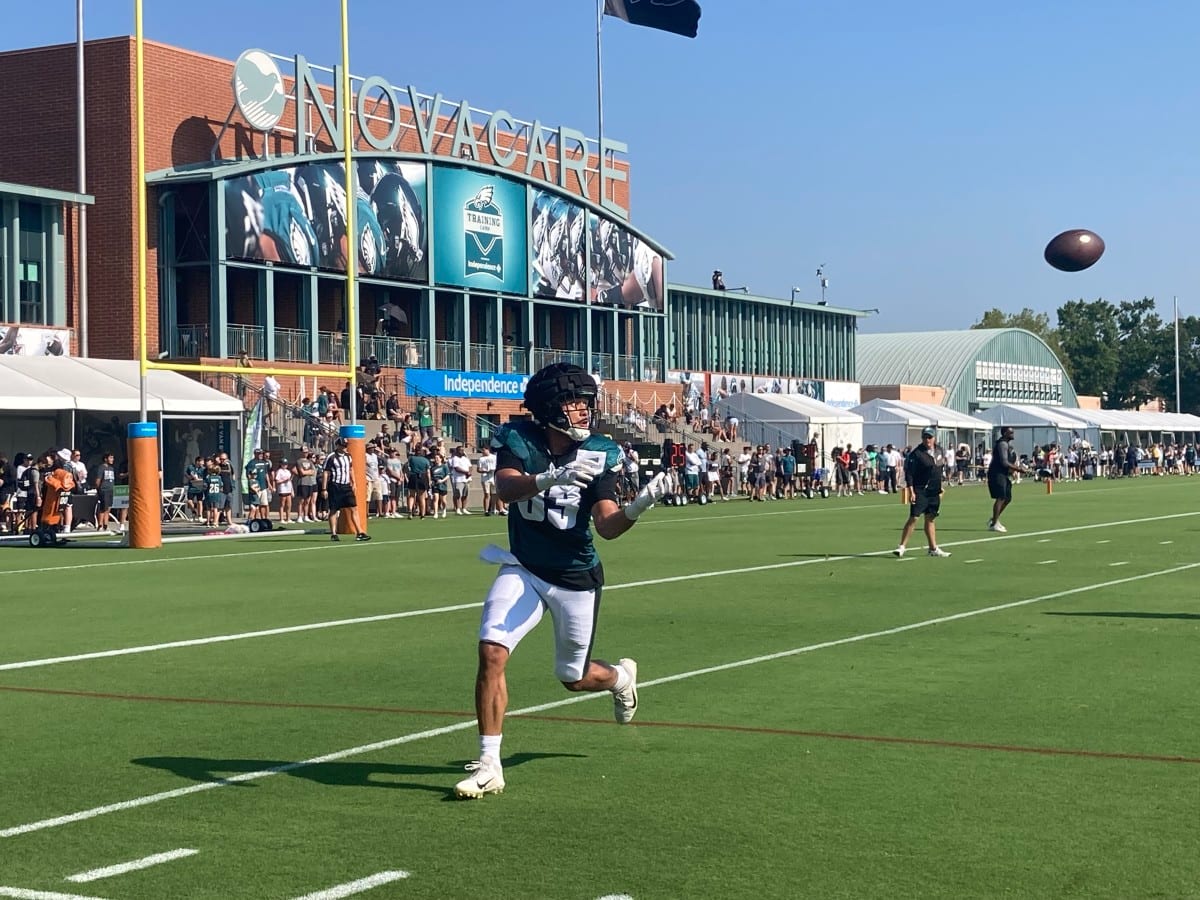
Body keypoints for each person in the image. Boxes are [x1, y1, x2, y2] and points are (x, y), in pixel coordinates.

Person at [454, 363, 668, 800]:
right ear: (550, 409)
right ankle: (490, 764)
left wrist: (637, 508)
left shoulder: (600, 451)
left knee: (571, 677)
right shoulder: (519, 440)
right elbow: (506, 489)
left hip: (574, 577)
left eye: (586, 403)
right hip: (524, 566)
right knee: (491, 651)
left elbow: (606, 526)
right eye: (573, 404)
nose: (583, 412)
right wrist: (548, 478)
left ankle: (619, 679)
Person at [893, 427, 951, 558]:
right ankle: (902, 546)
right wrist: (911, 491)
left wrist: (941, 486)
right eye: (925, 437)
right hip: (920, 490)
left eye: (929, 437)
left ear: (934, 438)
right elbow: (910, 474)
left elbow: (939, 468)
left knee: (930, 518)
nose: (927, 440)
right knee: (914, 517)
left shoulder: (939, 450)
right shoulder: (916, 454)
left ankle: (933, 548)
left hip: (934, 490)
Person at [321, 437, 370, 542]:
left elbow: (351, 469)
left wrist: (354, 482)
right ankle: (333, 533)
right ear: (338, 445)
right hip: (335, 485)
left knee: (354, 508)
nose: (344, 448)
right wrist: (324, 488)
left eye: (346, 446)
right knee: (333, 509)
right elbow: (326, 472)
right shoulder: (331, 457)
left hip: (346, 486)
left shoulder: (348, 456)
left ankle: (359, 532)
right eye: (343, 445)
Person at [987, 426, 1025, 533]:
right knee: (1001, 497)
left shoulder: (1007, 445)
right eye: (1010, 432)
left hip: (1003, 474)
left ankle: (994, 519)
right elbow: (1004, 462)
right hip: (997, 474)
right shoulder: (1002, 444)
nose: (1013, 434)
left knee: (1007, 497)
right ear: (1004, 434)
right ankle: (994, 524)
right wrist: (1018, 469)